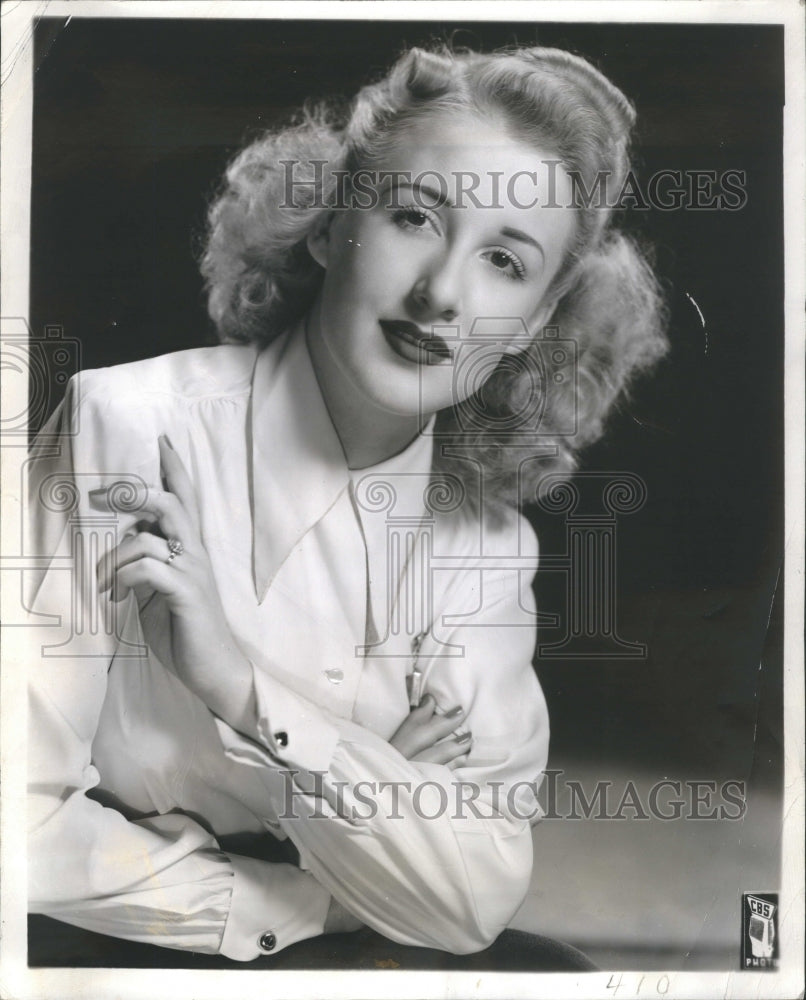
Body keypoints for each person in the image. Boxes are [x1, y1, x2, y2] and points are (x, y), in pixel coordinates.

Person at [26, 44, 667, 965]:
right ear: (330, 225)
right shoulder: (122, 425)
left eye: (504, 261)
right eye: (412, 216)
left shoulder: (487, 547)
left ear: (533, 323)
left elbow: (470, 897)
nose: (441, 293)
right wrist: (324, 867)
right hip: (110, 935)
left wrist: (244, 695)